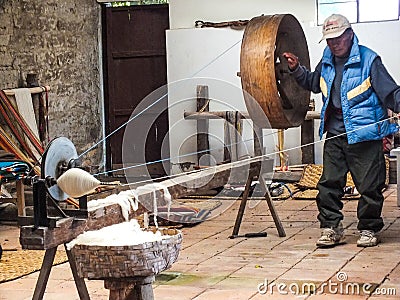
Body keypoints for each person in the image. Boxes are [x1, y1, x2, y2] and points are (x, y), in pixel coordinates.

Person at [283, 14, 400, 247]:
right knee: (329, 183)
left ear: (350, 34)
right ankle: (330, 228)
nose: (334, 44)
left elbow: (391, 92)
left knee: (370, 186)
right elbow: (314, 83)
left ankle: (368, 228)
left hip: (365, 135)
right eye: (329, 40)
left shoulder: (369, 60)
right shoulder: (327, 59)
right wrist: (297, 70)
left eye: (338, 38)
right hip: (336, 134)